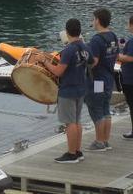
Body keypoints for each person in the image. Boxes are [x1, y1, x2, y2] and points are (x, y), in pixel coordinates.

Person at [44, 18, 93, 163]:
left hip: (68, 90)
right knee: (77, 121)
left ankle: (71, 153)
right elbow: (93, 62)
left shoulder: (68, 50)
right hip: (80, 88)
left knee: (69, 123)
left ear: (66, 32)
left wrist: (46, 63)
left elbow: (58, 72)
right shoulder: (85, 47)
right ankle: (77, 151)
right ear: (79, 31)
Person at [84, 8, 119, 152]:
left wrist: (84, 62)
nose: (92, 21)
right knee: (105, 109)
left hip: (98, 80)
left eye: (93, 19)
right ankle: (105, 140)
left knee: (96, 108)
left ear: (98, 20)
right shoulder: (113, 36)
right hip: (109, 78)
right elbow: (116, 56)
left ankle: (99, 141)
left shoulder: (97, 39)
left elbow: (94, 61)